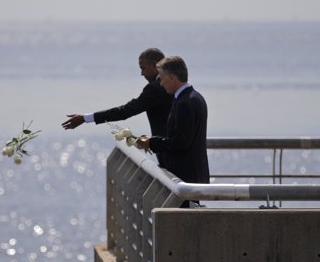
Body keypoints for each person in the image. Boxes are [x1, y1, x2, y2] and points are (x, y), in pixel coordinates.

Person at [61, 47, 174, 165]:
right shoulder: (173, 83)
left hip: (171, 153)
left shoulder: (155, 88)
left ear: (155, 65)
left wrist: (85, 118)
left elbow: (124, 111)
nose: (142, 74)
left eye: (143, 68)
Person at [135, 55, 209, 185]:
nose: (161, 83)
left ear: (172, 78)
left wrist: (151, 142)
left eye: (162, 79)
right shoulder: (196, 97)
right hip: (195, 173)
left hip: (185, 176)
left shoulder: (184, 103)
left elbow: (180, 142)